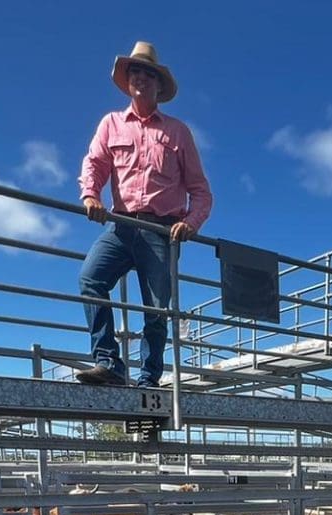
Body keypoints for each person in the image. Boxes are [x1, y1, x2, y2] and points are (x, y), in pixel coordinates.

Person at [74, 42, 212, 391]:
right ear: (127, 79)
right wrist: (91, 194)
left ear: (158, 85)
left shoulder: (177, 132)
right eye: (134, 71)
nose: (140, 77)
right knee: (91, 279)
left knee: (157, 310)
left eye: (147, 73)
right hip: (122, 224)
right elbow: (95, 164)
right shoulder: (111, 124)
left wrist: (190, 224)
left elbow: (201, 192)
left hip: (161, 229)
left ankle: (149, 378)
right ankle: (108, 361)